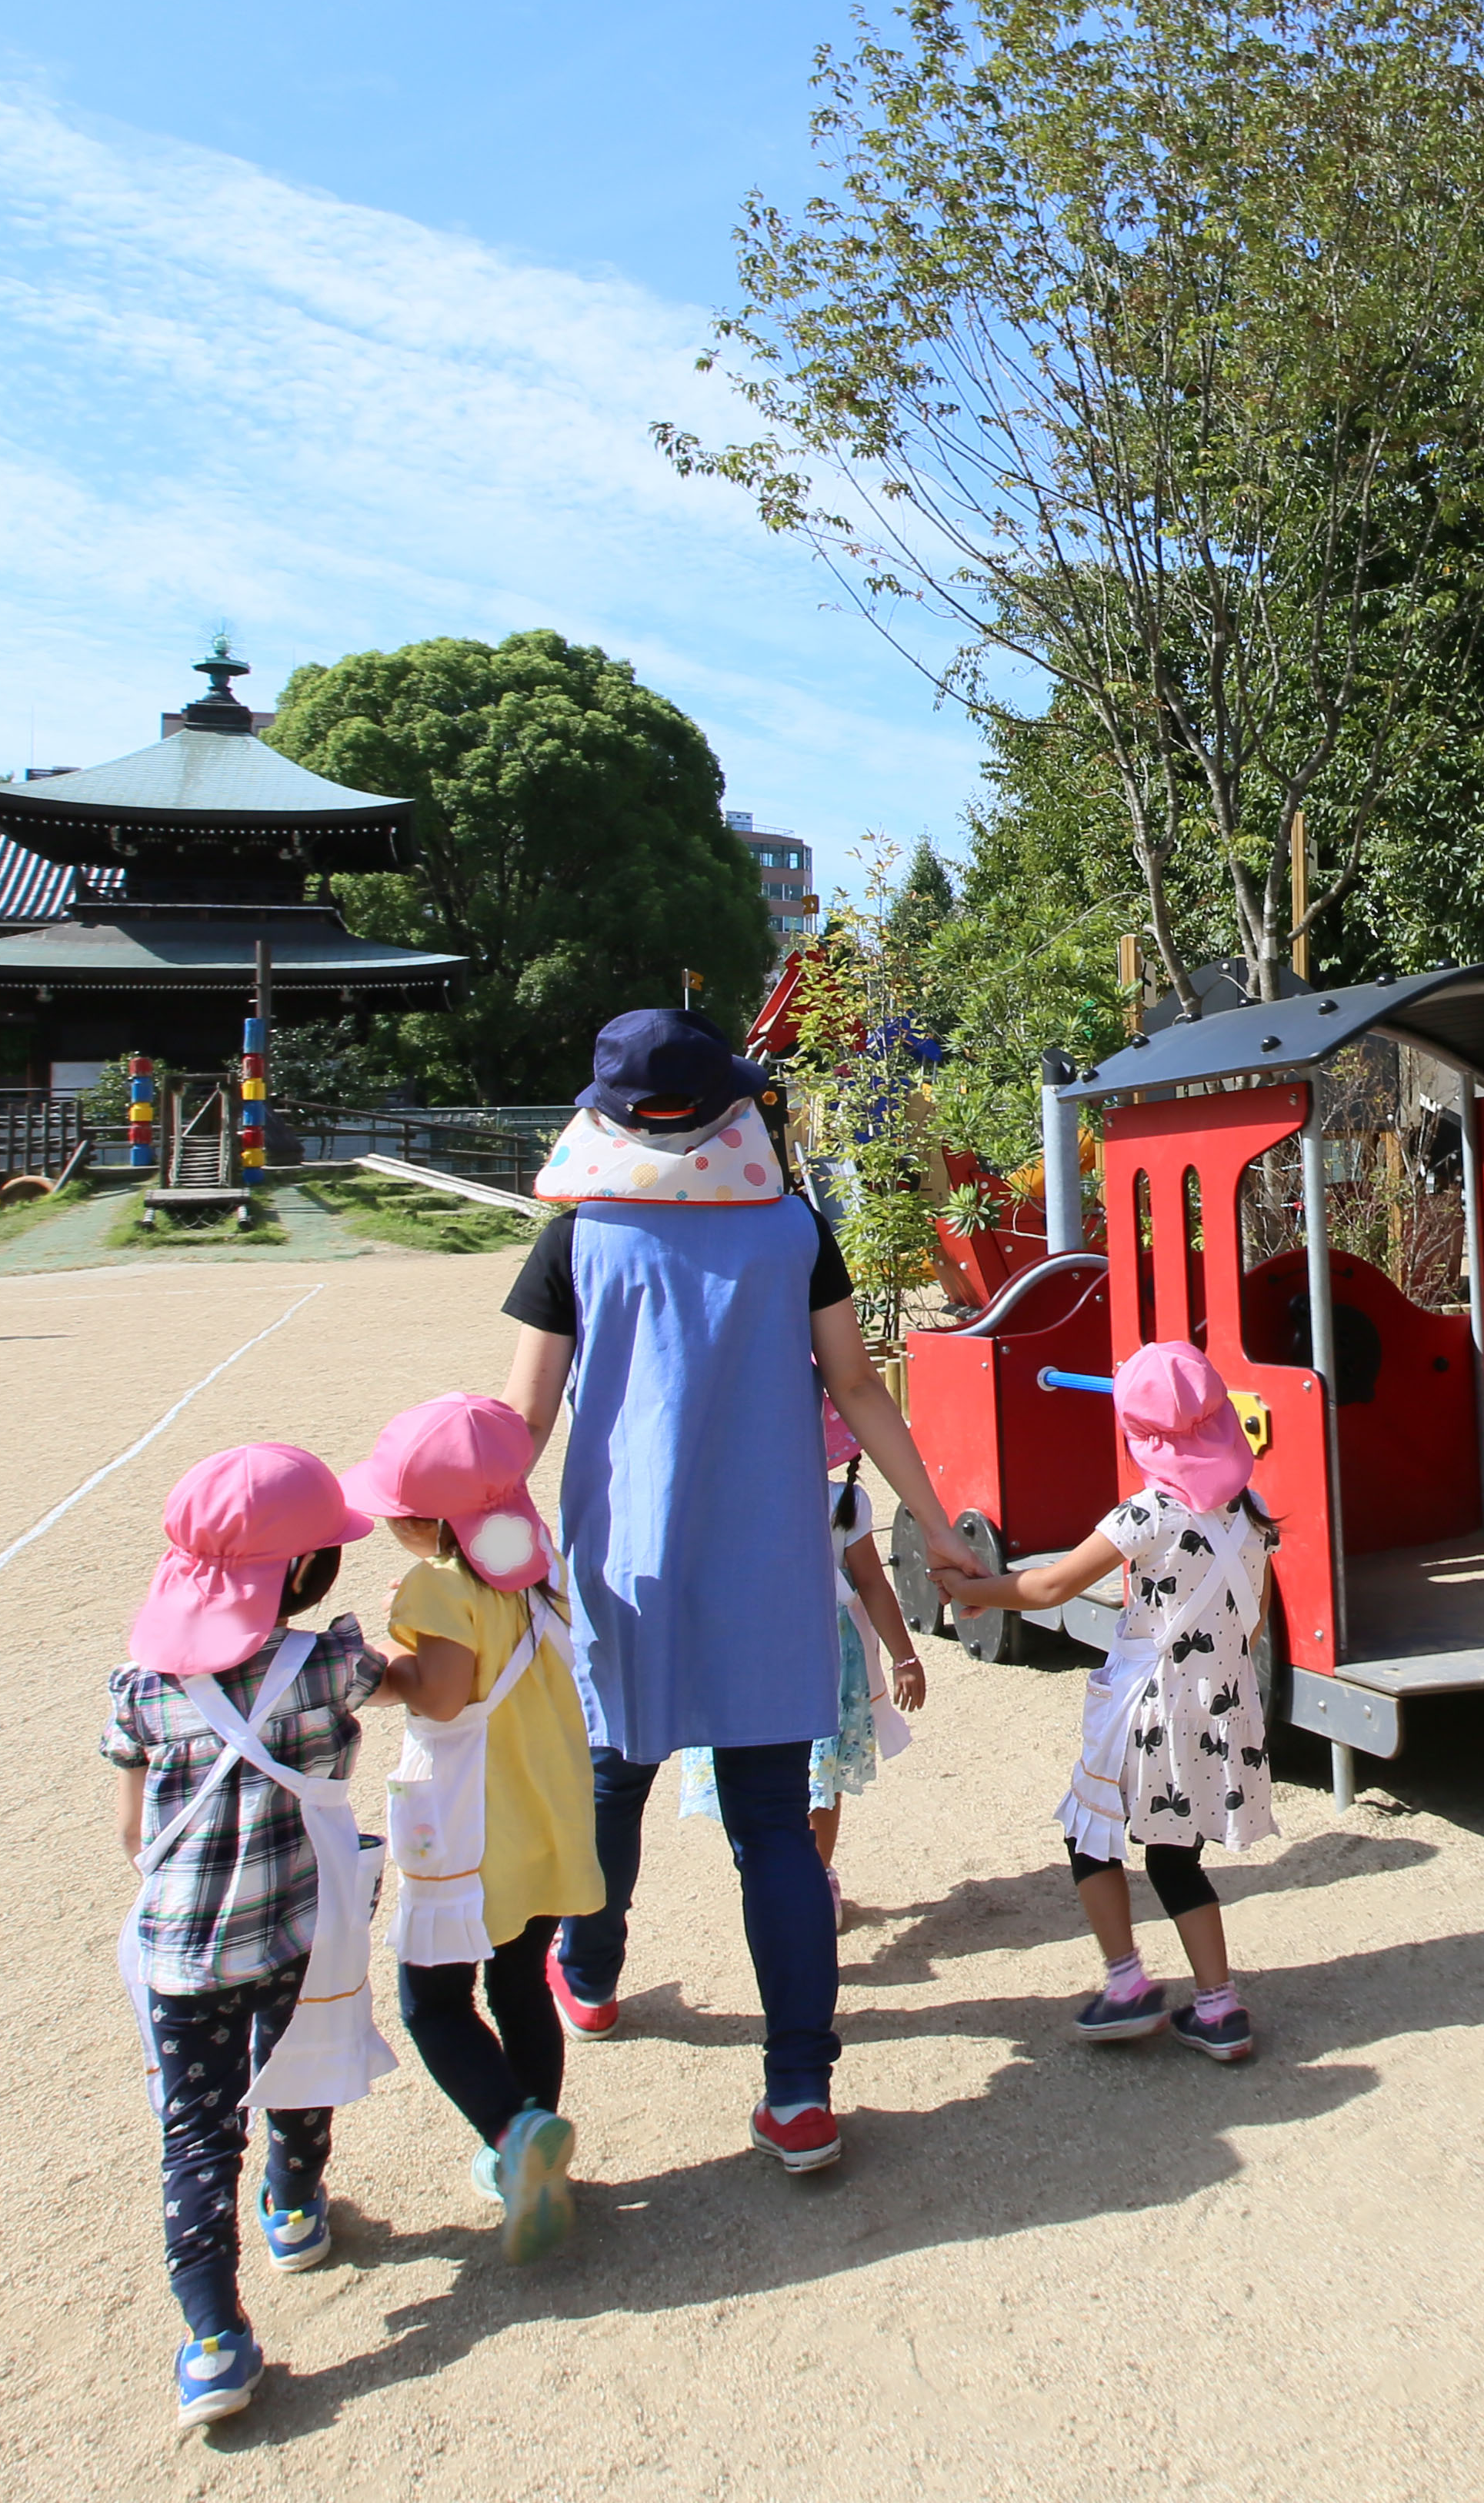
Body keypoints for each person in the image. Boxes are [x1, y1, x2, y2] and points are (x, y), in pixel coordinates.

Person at [502, 1012, 953, 2179]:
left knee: (612, 1785)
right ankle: (800, 2089)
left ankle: (590, 1977)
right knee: (773, 1830)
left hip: (628, 1570)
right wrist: (936, 1519)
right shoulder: (795, 1228)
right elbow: (855, 1385)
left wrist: (472, 1545)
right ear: (726, 1114)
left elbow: (521, 1421)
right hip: (772, 1565)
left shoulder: (576, 1237)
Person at [107, 1442, 397, 2435]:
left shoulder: (142, 1688)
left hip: (183, 1956)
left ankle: (213, 2339)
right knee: (302, 2070)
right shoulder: (326, 1668)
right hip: (299, 1932)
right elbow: (409, 1684)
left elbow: (129, 1831)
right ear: (305, 1573)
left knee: (193, 2134)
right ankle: (293, 2207)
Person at [932, 1338, 1278, 2064]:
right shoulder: (1252, 1511)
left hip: (1147, 1705)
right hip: (1216, 1702)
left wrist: (973, 1593)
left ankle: (1126, 1983)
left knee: (1090, 1833)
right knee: (1176, 1855)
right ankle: (1219, 2006)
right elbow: (1254, 1619)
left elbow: (1052, 1585)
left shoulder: (1145, 1516)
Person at [350, 1390, 603, 2264]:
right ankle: (537, 2147)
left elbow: (444, 1691)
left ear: (427, 1524)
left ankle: (512, 2130)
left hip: (471, 1833)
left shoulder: (433, 1588)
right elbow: (487, 1620)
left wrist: (383, 1662)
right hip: (545, 1814)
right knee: (522, 1981)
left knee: (433, 2001)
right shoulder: (534, 1566)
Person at [808, 1397, 934, 1926]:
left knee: (820, 1773)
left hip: (825, 1661)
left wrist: (906, 1656)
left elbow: (873, 1584)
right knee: (800, 1774)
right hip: (789, 1657)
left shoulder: (845, 1505)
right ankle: (795, 1874)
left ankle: (815, 1874)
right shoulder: (746, 1497)